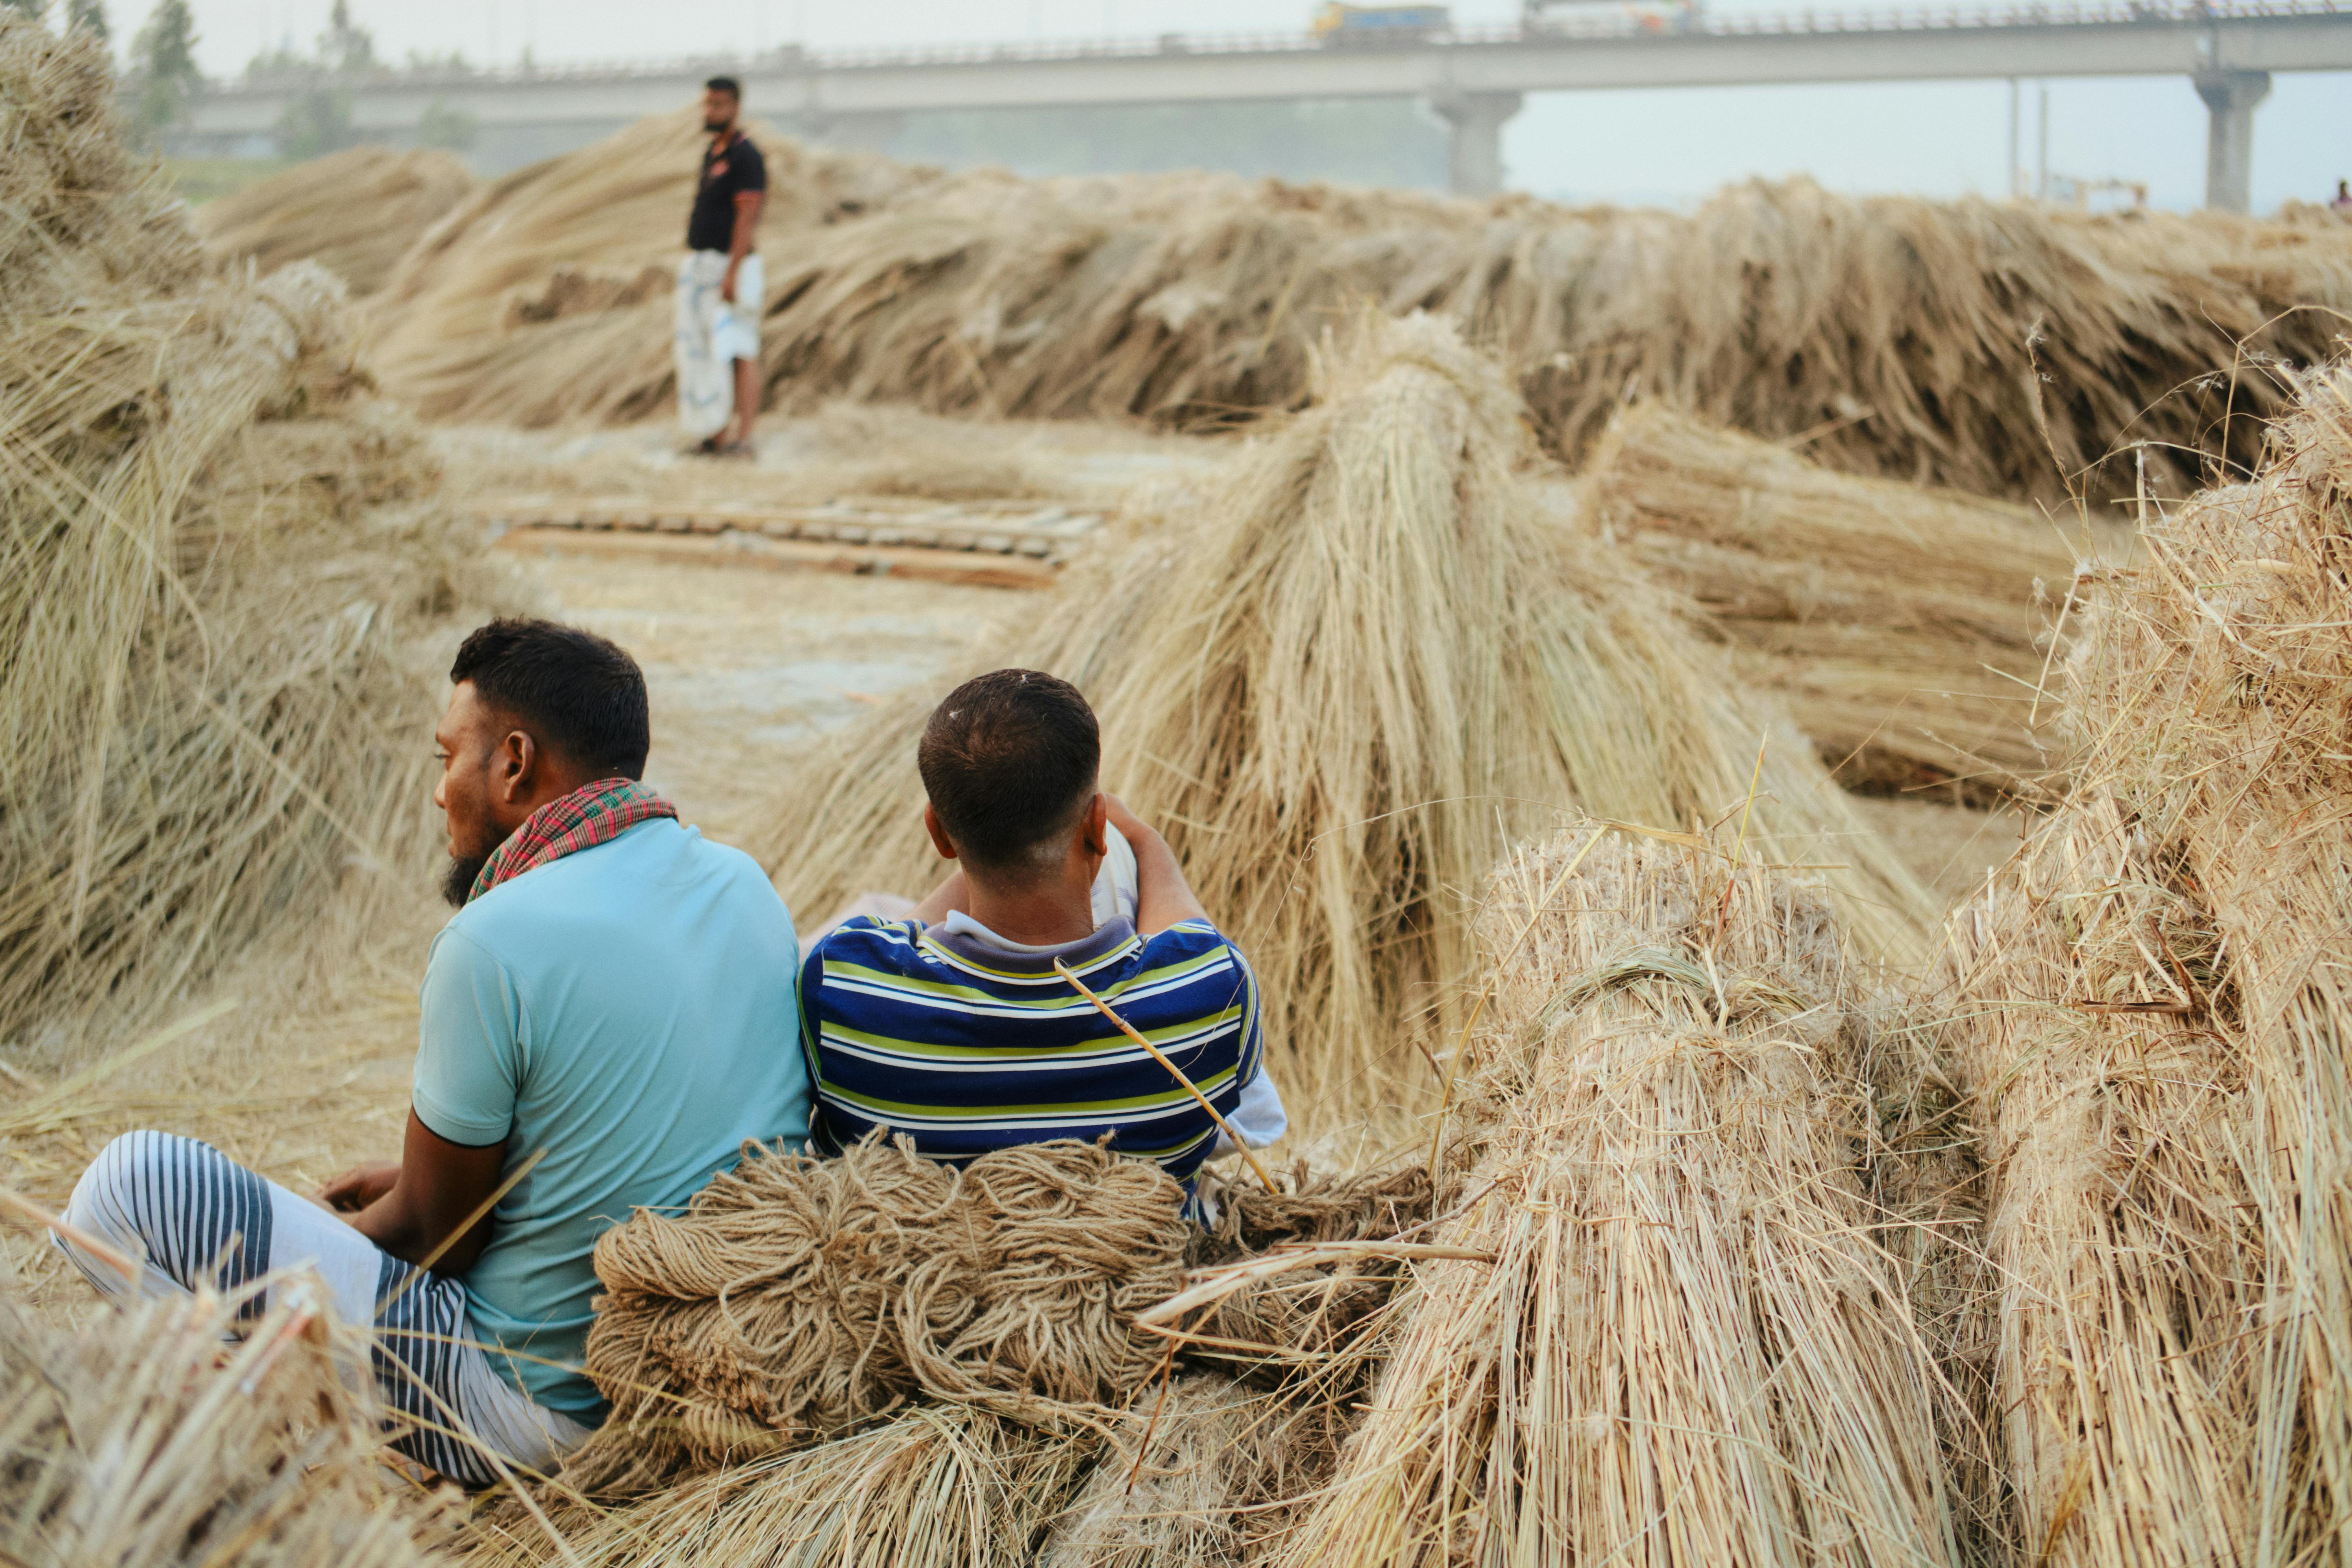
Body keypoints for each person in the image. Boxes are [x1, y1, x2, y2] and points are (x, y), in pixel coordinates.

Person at [52, 618, 809, 1484]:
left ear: (515, 763)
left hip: (537, 1409)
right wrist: (417, 1177)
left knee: (127, 1186)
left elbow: (432, 1235)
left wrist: (336, 1233)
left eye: (446, 755)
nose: (437, 789)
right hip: (714, 1373)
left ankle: (219, 1469)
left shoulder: (495, 938)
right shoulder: (744, 880)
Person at [797, 669, 1284, 1212]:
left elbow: (900, 935)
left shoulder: (840, 985)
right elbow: (1191, 940)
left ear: (937, 833)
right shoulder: (1214, 990)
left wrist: (984, 834)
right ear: (1098, 827)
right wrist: (1142, 842)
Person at [676, 75, 767, 457]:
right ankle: (714, 432)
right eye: (707, 104)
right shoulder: (713, 153)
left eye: (717, 105)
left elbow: (747, 217)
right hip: (703, 266)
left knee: (740, 349)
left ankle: (744, 437)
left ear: (734, 108)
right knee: (706, 351)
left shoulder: (746, 156)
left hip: (733, 267)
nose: (710, 112)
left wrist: (731, 272)